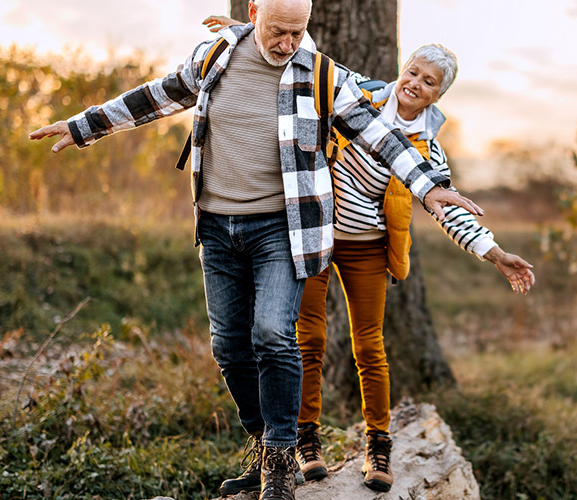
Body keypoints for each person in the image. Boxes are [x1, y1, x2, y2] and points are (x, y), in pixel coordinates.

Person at [29, 1, 482, 499]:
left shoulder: (321, 75)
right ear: (252, 13)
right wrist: (84, 125)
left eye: (298, 32)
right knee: (228, 346)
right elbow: (156, 96)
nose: (288, 44)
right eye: (277, 31)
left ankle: (283, 462)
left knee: (272, 332)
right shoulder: (214, 57)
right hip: (217, 227)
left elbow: (382, 135)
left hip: (281, 228)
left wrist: (430, 186)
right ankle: (265, 444)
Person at [205, 16, 537, 493]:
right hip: (315, 237)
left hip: (367, 251)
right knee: (307, 341)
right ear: (402, 69)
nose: (415, 84)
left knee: (369, 348)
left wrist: (494, 251)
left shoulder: (429, 149)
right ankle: (305, 441)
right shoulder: (359, 95)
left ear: (438, 95)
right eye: (414, 72)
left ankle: (378, 445)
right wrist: (250, 26)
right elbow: (308, 54)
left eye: (429, 82)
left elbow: (447, 208)